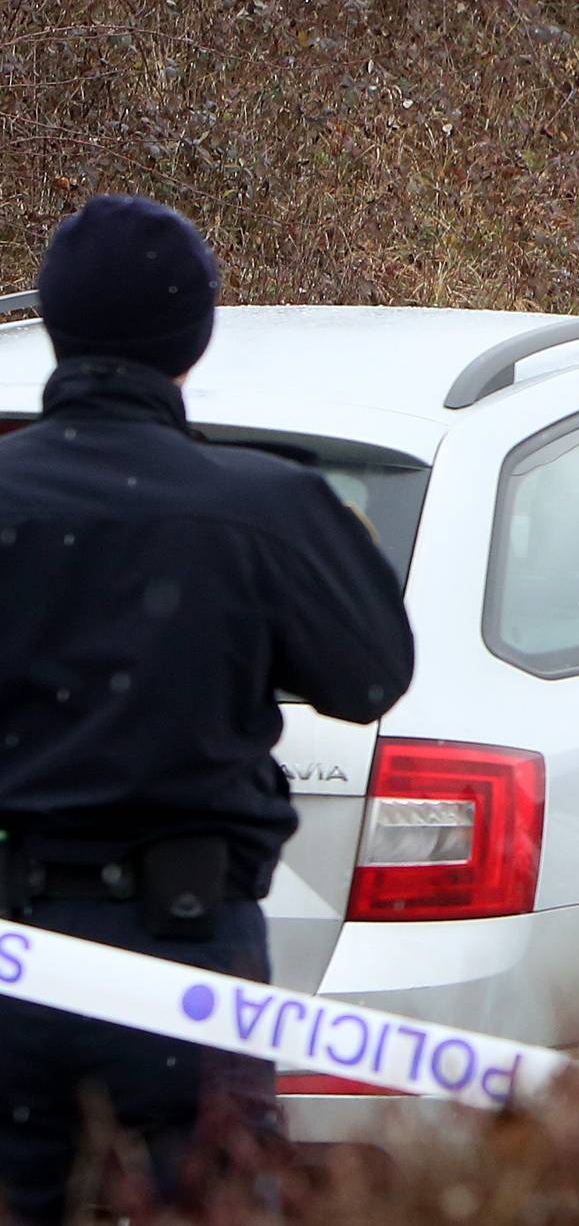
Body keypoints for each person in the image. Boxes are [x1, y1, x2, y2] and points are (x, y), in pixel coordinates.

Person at [0, 195, 416, 1221]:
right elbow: (370, 675)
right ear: (194, 336)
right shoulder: (261, 508)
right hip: (186, 958)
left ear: (56, 324)